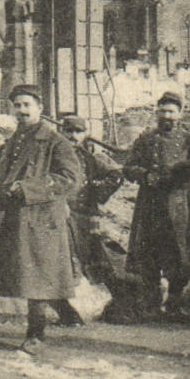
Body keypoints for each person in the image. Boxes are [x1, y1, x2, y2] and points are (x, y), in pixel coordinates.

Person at [0, 84, 83, 354]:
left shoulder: (55, 141)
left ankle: (36, 334)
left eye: (27, 105)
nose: (22, 110)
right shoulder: (13, 140)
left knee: (37, 278)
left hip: (41, 221)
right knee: (20, 276)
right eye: (17, 105)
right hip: (14, 218)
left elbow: (71, 179)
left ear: (40, 108)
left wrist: (28, 189)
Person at [123, 91, 190, 322]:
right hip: (149, 206)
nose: (166, 115)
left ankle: (174, 305)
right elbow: (129, 167)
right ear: (156, 112)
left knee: (179, 254)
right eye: (162, 111)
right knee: (148, 254)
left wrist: (179, 181)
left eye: (171, 111)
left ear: (180, 114)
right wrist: (145, 175)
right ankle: (151, 305)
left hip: (177, 207)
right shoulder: (145, 139)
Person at [52, 114, 125, 326]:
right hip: (61, 214)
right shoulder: (54, 155)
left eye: (78, 131)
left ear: (84, 134)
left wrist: (97, 192)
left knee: (94, 259)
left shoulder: (89, 157)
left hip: (85, 215)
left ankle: (113, 307)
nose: (73, 136)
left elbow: (116, 175)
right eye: (69, 131)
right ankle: (69, 312)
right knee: (65, 260)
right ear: (62, 132)